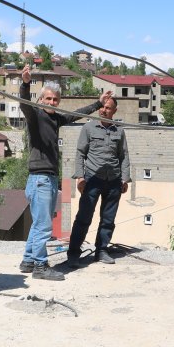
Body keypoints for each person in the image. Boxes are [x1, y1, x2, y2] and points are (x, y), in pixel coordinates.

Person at [18, 64, 112, 281]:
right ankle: (41, 267)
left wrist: (98, 103)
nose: (51, 103)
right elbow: (24, 104)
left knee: (38, 223)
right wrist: (25, 84)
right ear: (41, 100)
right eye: (48, 99)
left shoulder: (56, 119)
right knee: (43, 225)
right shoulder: (35, 116)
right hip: (40, 178)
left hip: (48, 178)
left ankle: (28, 260)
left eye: (55, 100)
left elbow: (76, 114)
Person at [68, 96, 130, 266]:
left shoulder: (119, 131)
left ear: (114, 111)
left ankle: (101, 250)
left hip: (114, 181)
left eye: (108, 108)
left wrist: (125, 178)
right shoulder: (88, 127)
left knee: (108, 219)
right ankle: (73, 252)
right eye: (102, 107)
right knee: (84, 218)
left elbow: (123, 156)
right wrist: (80, 177)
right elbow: (80, 153)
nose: (103, 110)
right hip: (92, 179)